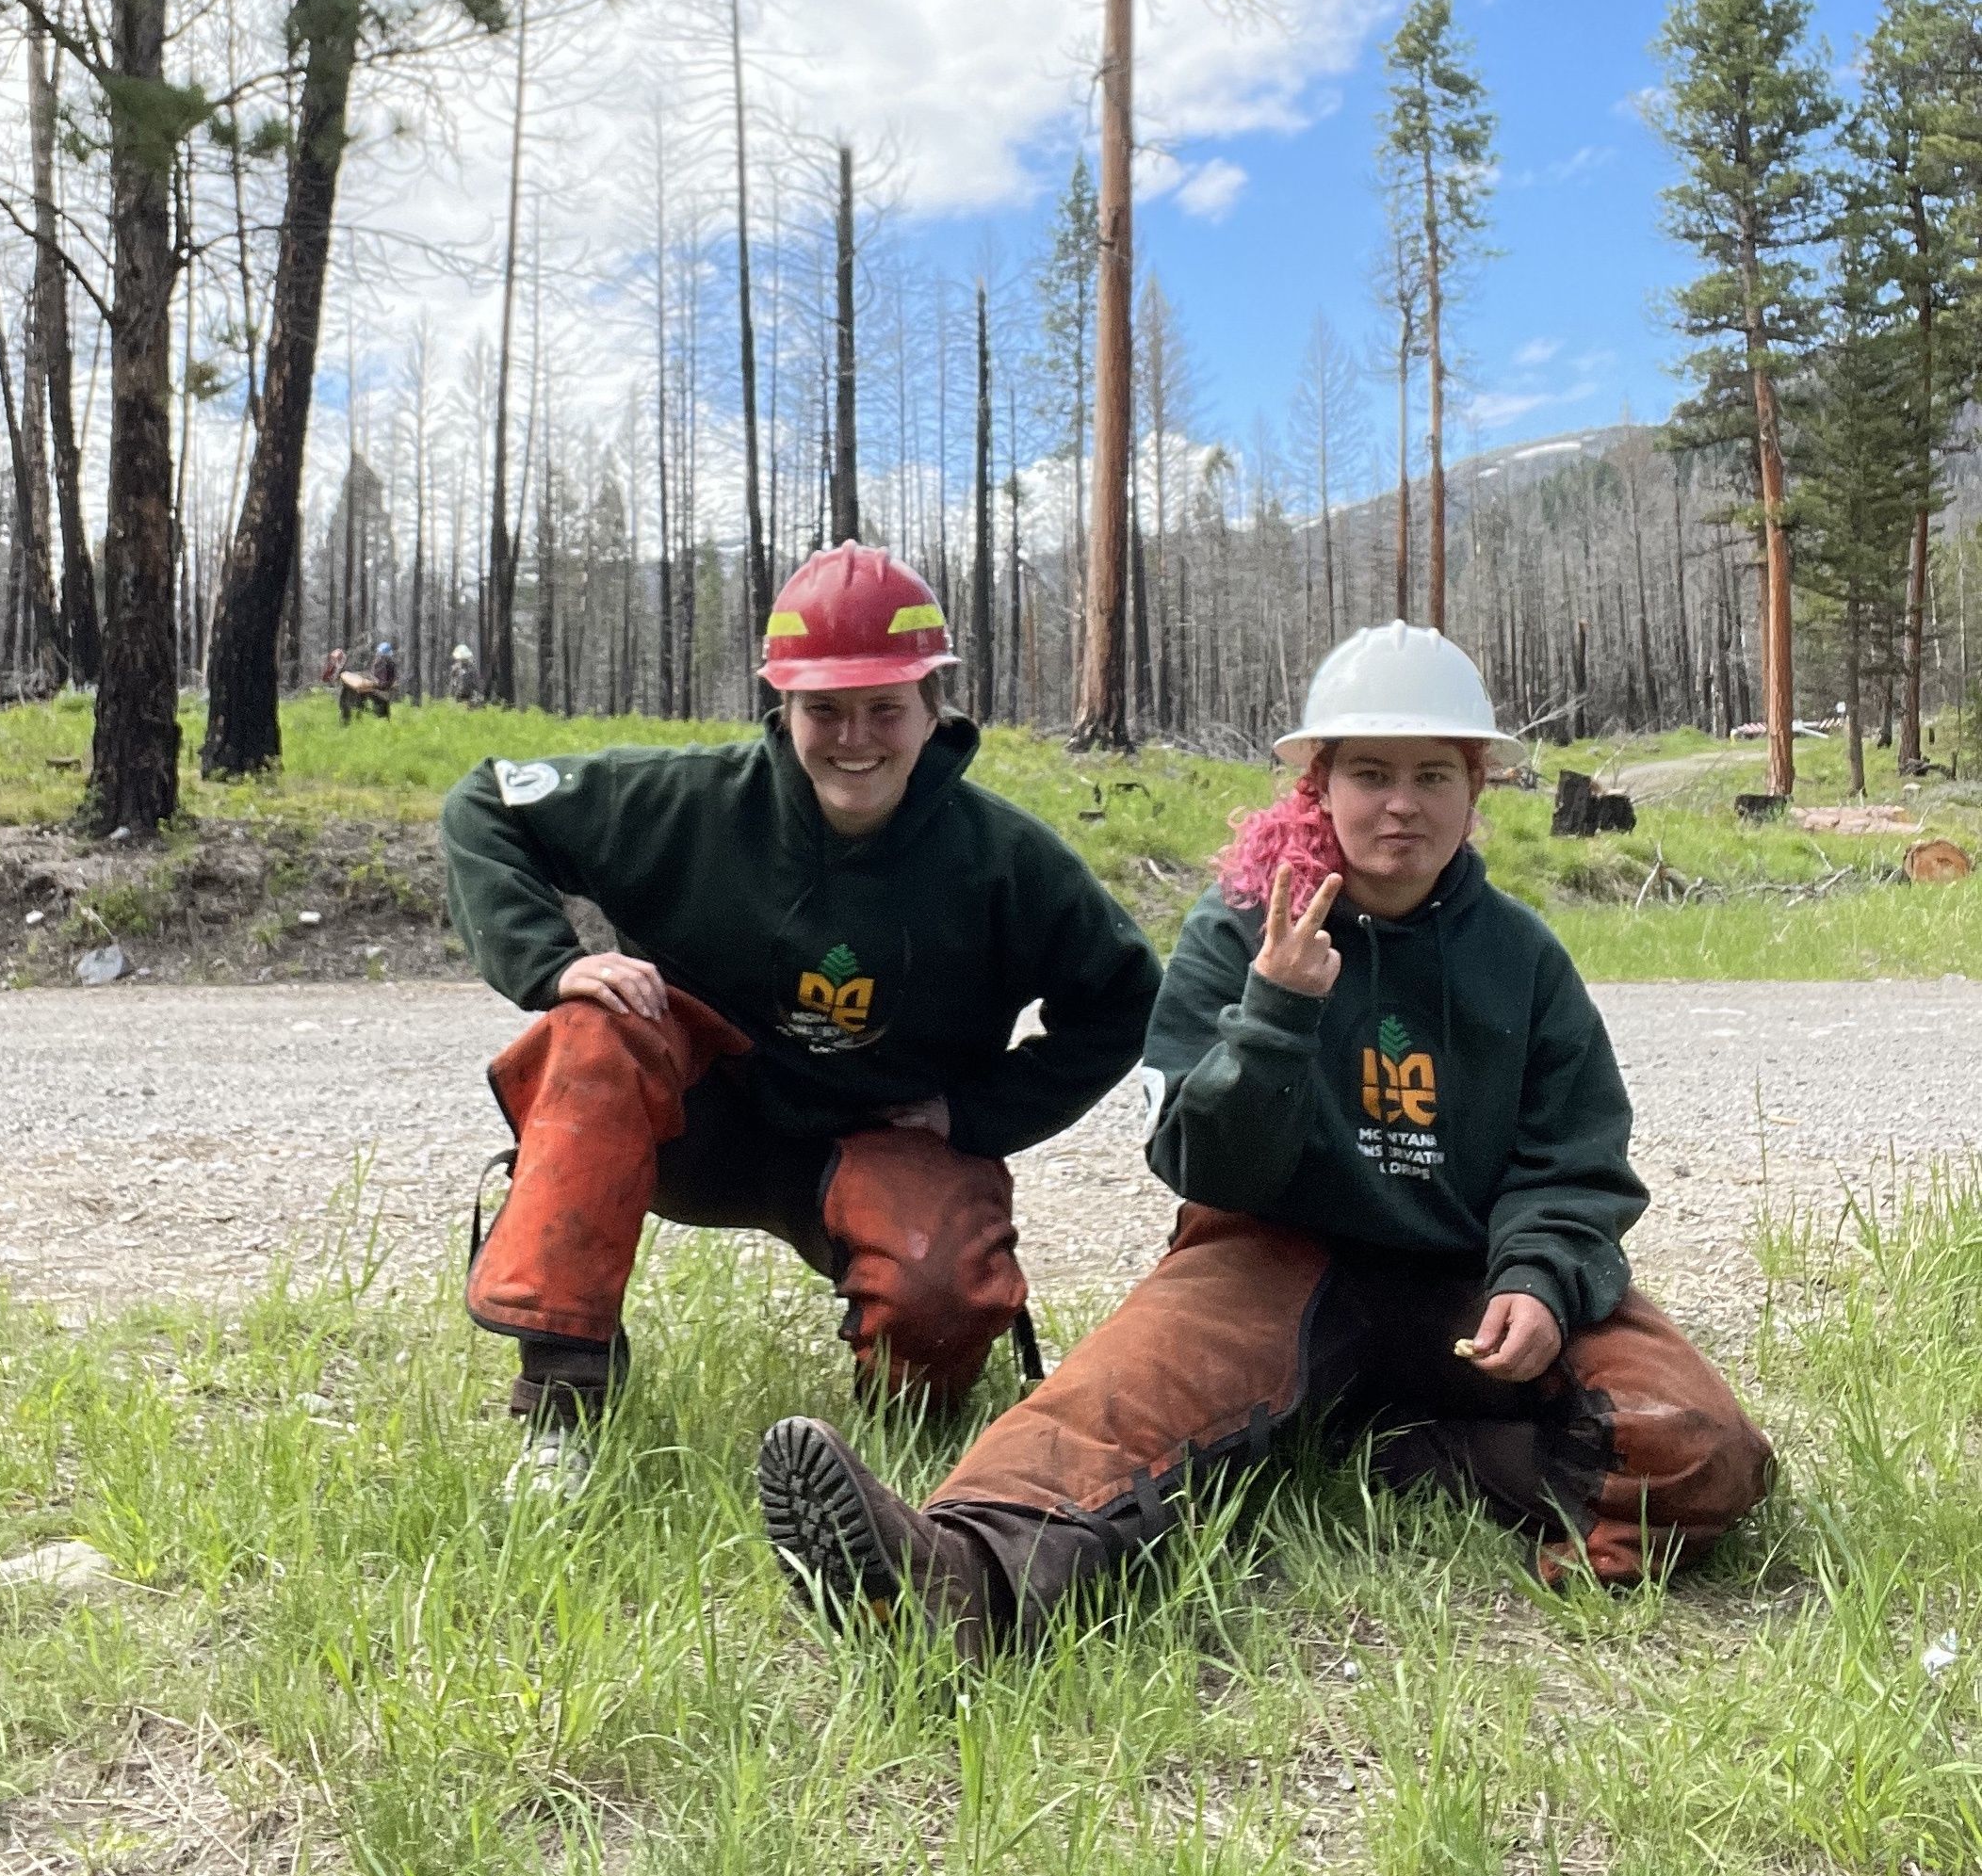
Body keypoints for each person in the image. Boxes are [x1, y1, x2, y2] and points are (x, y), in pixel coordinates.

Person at [756, 620, 1774, 1649]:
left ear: (1477, 788)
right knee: (1116, 1399)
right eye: (1370, 772)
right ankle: (955, 1577)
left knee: (1704, 1447)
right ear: (1318, 784)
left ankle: (1409, 1452)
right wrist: (1277, 1012)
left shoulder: (1525, 958)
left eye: (1433, 774)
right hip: (1271, 1252)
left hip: (1471, 1275)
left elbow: (1576, 1157)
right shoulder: (1238, 926)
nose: (1401, 804)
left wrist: (1542, 1276)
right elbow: (1203, 1163)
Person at [440, 542, 1161, 1447]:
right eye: (825, 709)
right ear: (782, 705)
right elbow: (485, 803)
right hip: (693, 1132)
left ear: (933, 709)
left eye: (884, 709)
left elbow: (1125, 998)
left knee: (938, 1302)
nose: (854, 739)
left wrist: (974, 1113)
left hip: (881, 1140)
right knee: (593, 1032)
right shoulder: (687, 803)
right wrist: (549, 964)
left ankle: (904, 1425)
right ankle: (563, 1399)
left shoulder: (1008, 861)